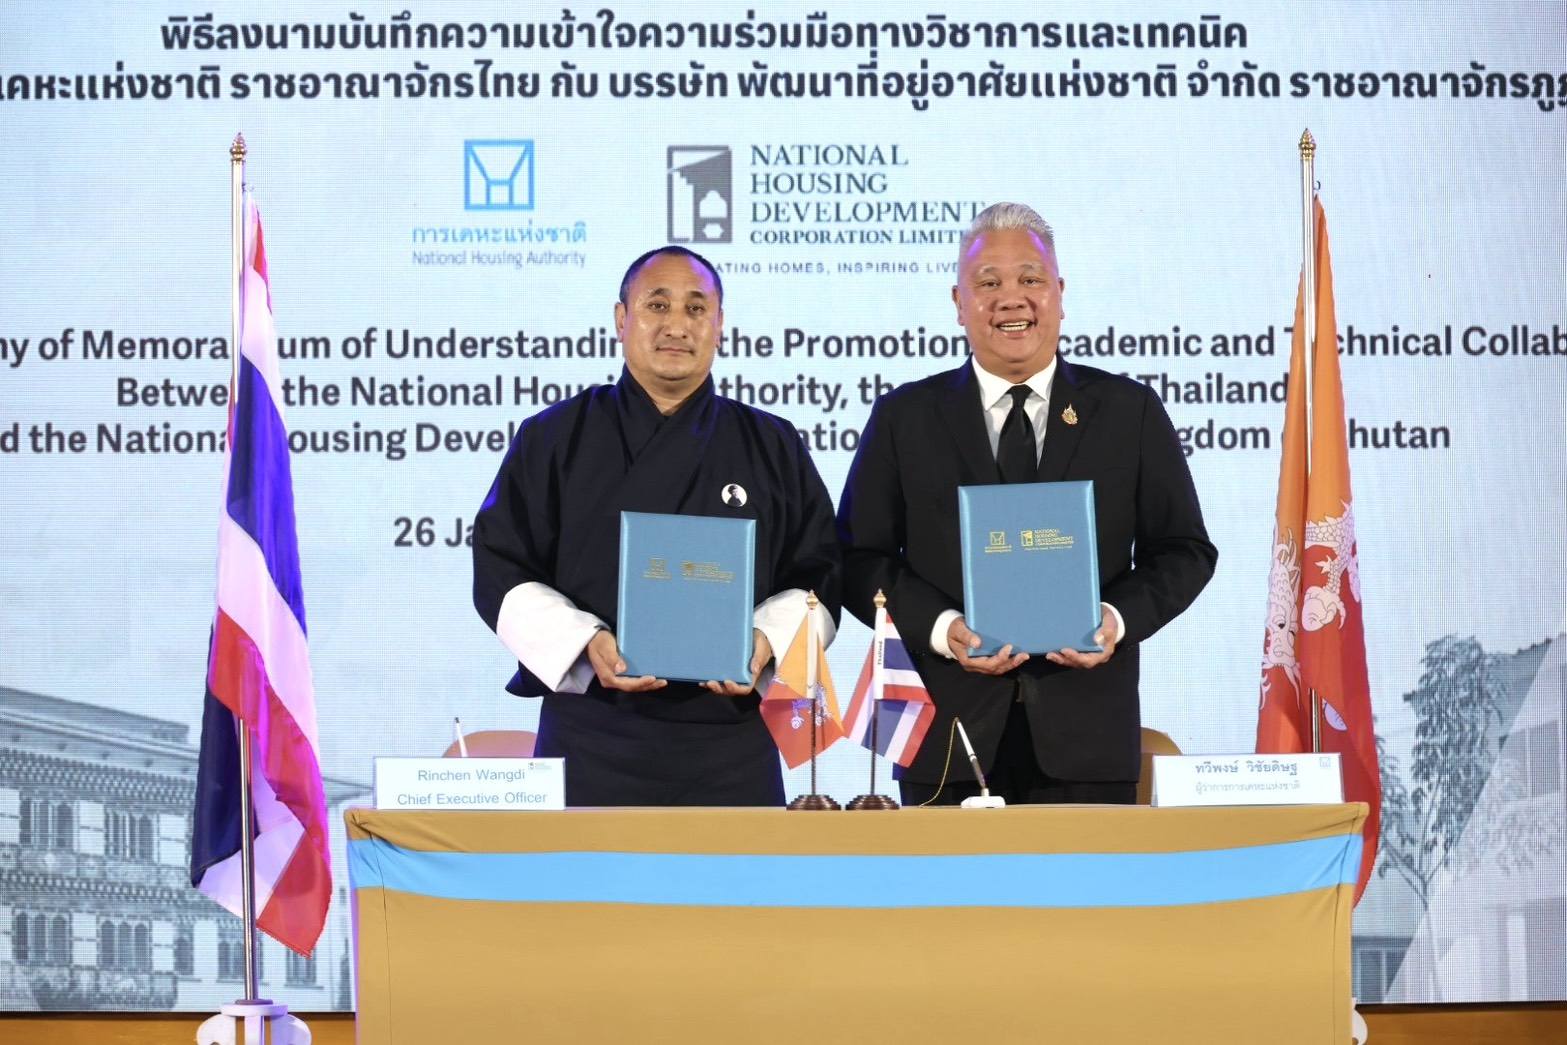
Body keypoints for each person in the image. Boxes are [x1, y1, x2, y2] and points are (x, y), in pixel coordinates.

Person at [836, 203, 1217, 806]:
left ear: (1060, 294)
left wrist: (1114, 620)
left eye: (1030, 279)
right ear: (958, 302)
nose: (1011, 298)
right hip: (947, 739)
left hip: (1088, 741)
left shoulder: (1128, 411)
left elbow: (1184, 551)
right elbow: (859, 560)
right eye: (988, 283)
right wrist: (943, 630)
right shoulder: (904, 417)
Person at [472, 246, 841, 806]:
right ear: (621, 319)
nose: (676, 325)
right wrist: (587, 642)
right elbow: (501, 567)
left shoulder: (772, 443)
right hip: (592, 732)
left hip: (731, 740)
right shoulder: (553, 437)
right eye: (657, 305)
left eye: (696, 308)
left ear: (720, 325)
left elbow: (821, 574)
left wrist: (765, 641)